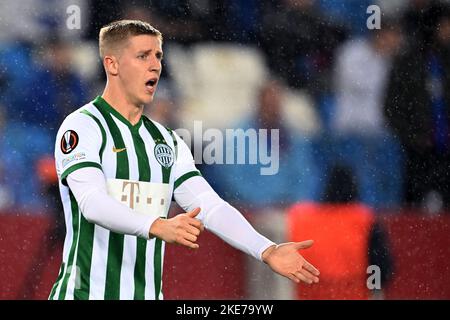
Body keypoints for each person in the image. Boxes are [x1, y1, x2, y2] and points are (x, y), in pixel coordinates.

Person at [49, 20, 320, 300]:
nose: (155, 66)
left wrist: (266, 249)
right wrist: (155, 225)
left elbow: (211, 207)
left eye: (158, 56)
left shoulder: (167, 141)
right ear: (112, 65)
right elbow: (92, 203)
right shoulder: (83, 126)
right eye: (143, 56)